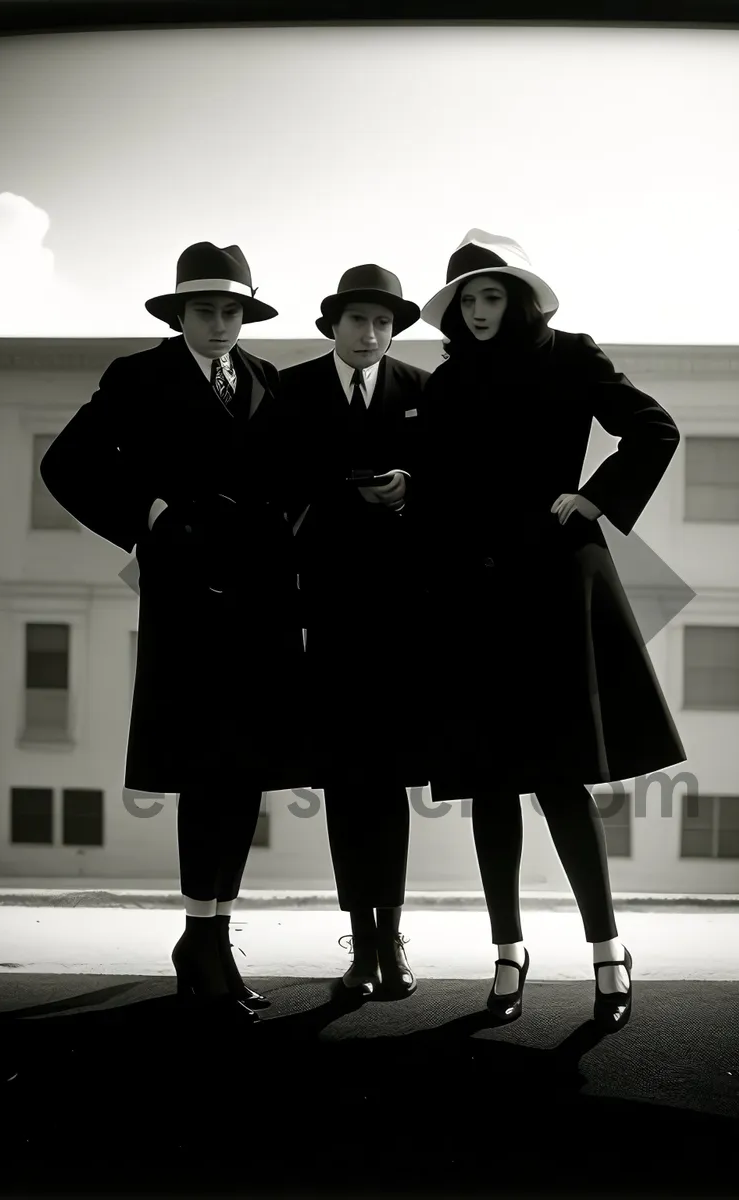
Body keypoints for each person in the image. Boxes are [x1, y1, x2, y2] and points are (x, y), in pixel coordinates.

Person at [415, 229, 686, 1030]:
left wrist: (594, 497)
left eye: (492, 296)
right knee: (489, 786)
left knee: (559, 778)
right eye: (467, 300)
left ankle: (607, 952)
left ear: (520, 299)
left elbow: (653, 428)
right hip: (471, 595)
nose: (479, 311)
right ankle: (508, 953)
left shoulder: (572, 356)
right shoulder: (447, 382)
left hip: (552, 586)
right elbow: (435, 485)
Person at [39, 241, 312, 1030]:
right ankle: (199, 941)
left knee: (246, 773)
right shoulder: (139, 378)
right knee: (205, 766)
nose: (221, 324)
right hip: (190, 600)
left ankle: (215, 942)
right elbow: (65, 465)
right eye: (206, 311)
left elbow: (289, 477)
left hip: (261, 602)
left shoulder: (265, 380)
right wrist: (148, 517)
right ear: (178, 313)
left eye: (233, 311)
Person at [279, 265, 430, 1000]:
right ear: (331, 325)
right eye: (356, 321)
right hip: (329, 613)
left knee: (390, 779)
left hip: (400, 619)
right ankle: (362, 945)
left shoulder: (423, 391)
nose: (369, 335)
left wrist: (408, 491)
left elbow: (449, 485)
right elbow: (275, 488)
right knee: (346, 781)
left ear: (393, 329)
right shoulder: (292, 390)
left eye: (382, 323)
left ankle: (393, 936)